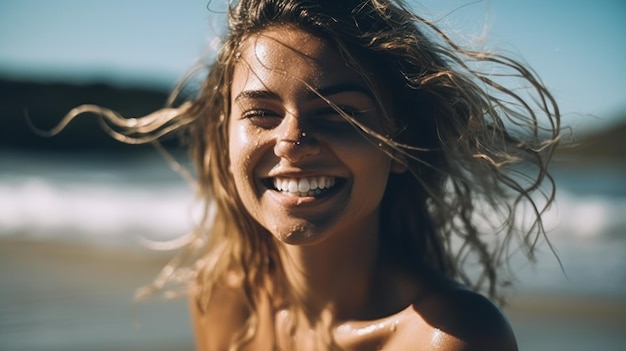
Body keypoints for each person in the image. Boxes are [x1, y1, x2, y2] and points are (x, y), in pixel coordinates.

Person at [54, 0, 561, 349]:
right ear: (223, 136)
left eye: (338, 113)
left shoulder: (450, 338)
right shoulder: (225, 303)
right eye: (260, 113)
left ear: (402, 144)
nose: (292, 139)